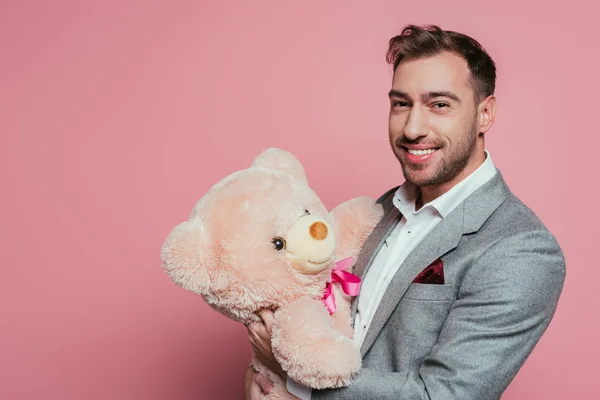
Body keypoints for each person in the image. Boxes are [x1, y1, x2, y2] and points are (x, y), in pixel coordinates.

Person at [244, 24, 566, 400]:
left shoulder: (521, 249)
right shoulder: (380, 210)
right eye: (401, 103)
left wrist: (294, 379)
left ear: (485, 114)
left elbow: (445, 396)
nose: (413, 128)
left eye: (439, 105)